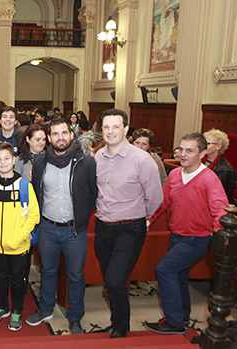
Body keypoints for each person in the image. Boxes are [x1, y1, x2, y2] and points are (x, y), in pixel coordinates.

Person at [144, 132, 229, 334]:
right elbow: (163, 202)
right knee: (179, 275)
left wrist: (218, 235)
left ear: (202, 153)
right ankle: (181, 315)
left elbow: (221, 210)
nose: (182, 154)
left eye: (189, 150)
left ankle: (174, 322)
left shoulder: (210, 179)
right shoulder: (174, 174)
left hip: (198, 239)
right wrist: (149, 220)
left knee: (164, 269)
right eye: (181, 149)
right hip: (177, 235)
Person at [94, 108, 163, 338]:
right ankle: (117, 322)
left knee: (115, 280)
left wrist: (140, 217)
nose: (111, 131)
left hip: (130, 228)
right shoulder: (98, 157)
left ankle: (121, 328)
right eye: (106, 127)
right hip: (103, 228)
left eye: (116, 126)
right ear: (101, 130)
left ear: (125, 129)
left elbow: (155, 198)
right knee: (111, 281)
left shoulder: (143, 160)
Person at [26, 117, 97, 334]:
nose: (60, 138)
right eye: (55, 134)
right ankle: (46, 308)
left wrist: (82, 217)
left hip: (74, 230)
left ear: (71, 134)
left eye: (64, 133)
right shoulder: (40, 163)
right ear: (49, 138)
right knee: (48, 271)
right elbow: (37, 193)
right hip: (47, 227)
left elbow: (92, 194)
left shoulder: (85, 162)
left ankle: (74, 317)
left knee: (75, 275)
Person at [0, 142, 40, 332]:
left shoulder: (24, 185)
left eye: (6, 158)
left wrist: (20, 236)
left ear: (13, 160)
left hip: (18, 245)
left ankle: (16, 310)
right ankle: (2, 306)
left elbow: (34, 215)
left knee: (17, 280)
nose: (3, 162)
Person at [203, 129, 237, 200]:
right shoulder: (199, 159)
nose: (203, 146)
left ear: (218, 147)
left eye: (207, 143)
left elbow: (221, 197)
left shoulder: (225, 171)